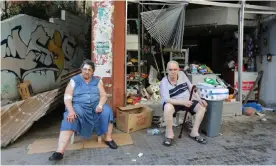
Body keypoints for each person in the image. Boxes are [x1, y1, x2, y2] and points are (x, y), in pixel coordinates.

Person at [49, 59, 117, 161]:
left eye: (89, 70)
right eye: (85, 69)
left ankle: (108, 138)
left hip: (95, 106)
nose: (87, 71)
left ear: (92, 72)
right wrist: (71, 111)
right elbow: (67, 97)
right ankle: (59, 151)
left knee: (107, 111)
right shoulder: (74, 80)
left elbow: (103, 95)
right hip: (79, 106)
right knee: (70, 117)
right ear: (81, 69)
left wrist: (100, 105)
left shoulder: (97, 80)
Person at [160, 60, 208, 146]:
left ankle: (194, 132)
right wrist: (183, 102)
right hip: (174, 102)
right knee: (167, 107)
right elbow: (166, 99)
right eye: (170, 70)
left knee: (202, 107)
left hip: (187, 99)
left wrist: (199, 99)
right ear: (167, 70)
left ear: (178, 69)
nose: (173, 72)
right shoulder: (164, 82)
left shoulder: (182, 74)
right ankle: (169, 135)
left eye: (175, 69)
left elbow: (191, 88)